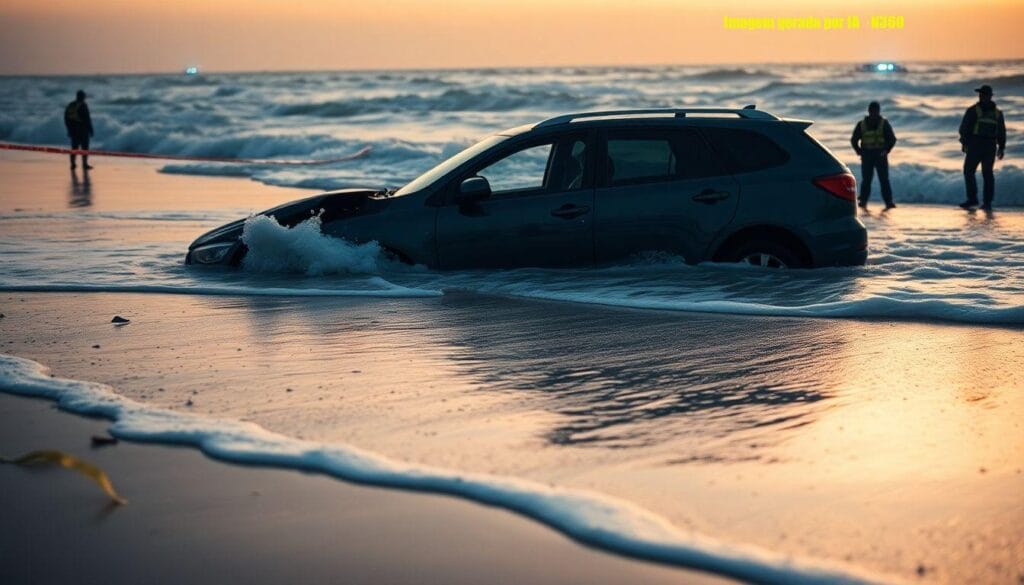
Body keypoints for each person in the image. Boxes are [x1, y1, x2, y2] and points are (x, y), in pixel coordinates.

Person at [958, 85, 1007, 211]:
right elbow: (1002, 132)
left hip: (977, 145)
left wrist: (964, 143)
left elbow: (964, 129)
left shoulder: (973, 110)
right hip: (989, 147)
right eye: (981, 94)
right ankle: (986, 203)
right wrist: (1001, 147)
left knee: (970, 172)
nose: (981, 96)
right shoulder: (997, 114)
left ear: (989, 96)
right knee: (987, 174)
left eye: (983, 94)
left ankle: (974, 200)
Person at [850, 101, 897, 210]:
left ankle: (888, 202)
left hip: (880, 156)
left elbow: (892, 139)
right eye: (872, 111)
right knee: (866, 180)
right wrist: (859, 151)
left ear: (878, 111)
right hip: (867, 156)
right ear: (869, 111)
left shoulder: (884, 124)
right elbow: (854, 140)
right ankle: (863, 201)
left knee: (884, 180)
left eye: (876, 111)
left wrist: (886, 150)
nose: (874, 113)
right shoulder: (861, 124)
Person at [64, 90, 94, 170]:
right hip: (83, 130)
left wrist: (69, 129)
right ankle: (84, 164)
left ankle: (73, 164)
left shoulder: (71, 105)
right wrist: (91, 130)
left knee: (74, 148)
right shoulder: (83, 105)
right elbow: (87, 119)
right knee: (85, 148)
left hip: (74, 130)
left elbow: (66, 118)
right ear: (83, 97)